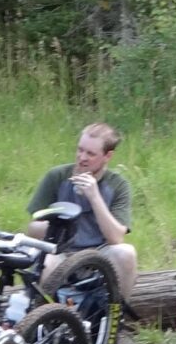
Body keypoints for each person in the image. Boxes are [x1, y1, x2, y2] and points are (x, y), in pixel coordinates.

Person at [27, 122, 136, 297]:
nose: (82, 157)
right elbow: (31, 231)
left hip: (99, 252)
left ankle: (116, 318)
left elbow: (116, 238)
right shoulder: (57, 177)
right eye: (80, 150)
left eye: (90, 153)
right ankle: (42, 318)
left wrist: (94, 197)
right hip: (59, 252)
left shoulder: (118, 185)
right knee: (46, 263)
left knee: (126, 253)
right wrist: (57, 226)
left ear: (108, 156)